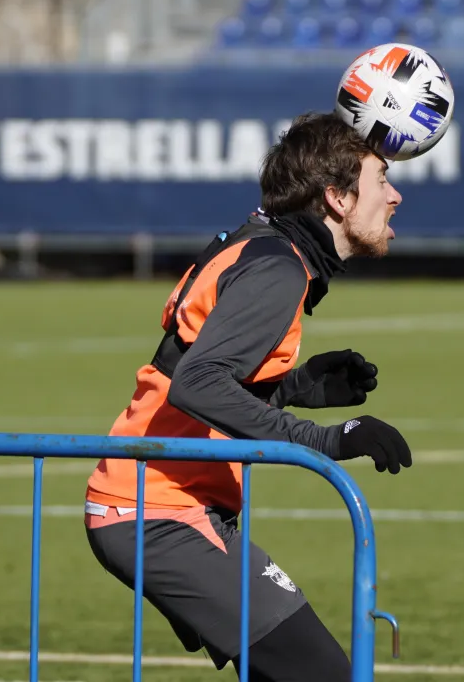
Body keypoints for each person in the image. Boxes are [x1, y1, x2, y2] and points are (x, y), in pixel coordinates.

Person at [83, 112, 414, 681]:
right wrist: (329, 440)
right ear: (336, 198)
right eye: (381, 179)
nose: (395, 195)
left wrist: (301, 386)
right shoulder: (278, 270)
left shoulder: (270, 249)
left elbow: (195, 371)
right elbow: (198, 384)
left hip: (167, 509)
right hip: (155, 514)